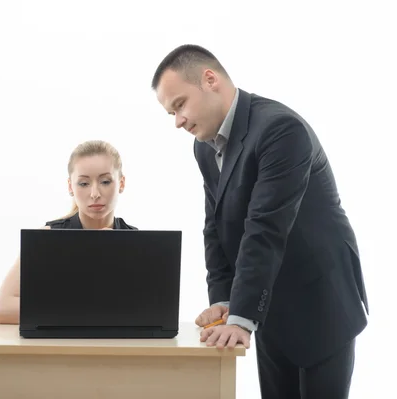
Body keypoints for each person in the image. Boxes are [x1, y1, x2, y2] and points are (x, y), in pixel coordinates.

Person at [151, 44, 369, 399]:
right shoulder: (204, 146)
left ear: (210, 80)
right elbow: (215, 226)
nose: (178, 121)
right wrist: (225, 302)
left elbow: (264, 225)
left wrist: (241, 315)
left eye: (180, 105)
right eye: (171, 112)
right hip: (266, 303)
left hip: (320, 301)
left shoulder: (281, 130)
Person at [0, 140, 137, 325]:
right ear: (71, 187)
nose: (94, 193)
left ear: (121, 183)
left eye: (105, 181)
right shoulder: (47, 238)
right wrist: (92, 308)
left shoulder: (135, 241)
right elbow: (3, 309)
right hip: (59, 350)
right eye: (84, 183)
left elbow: (152, 312)